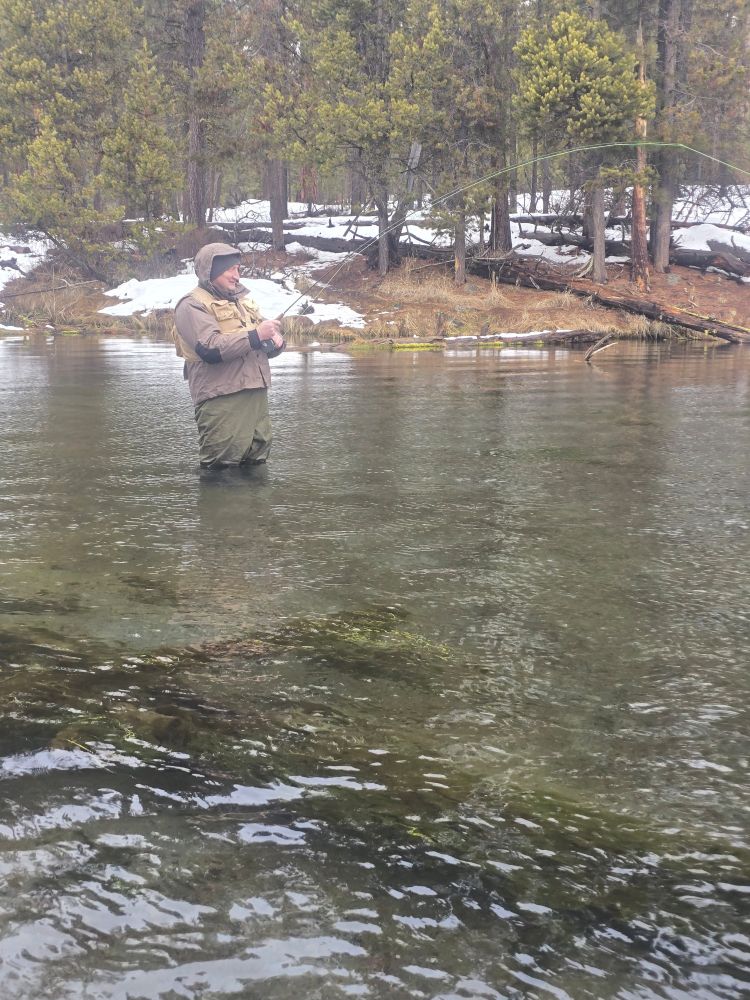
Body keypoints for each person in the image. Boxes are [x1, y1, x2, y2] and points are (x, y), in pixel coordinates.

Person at [173, 243, 285, 468]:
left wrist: (275, 342)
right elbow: (209, 348)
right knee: (222, 471)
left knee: (256, 465)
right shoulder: (191, 305)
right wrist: (256, 335)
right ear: (212, 271)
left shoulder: (243, 303)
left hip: (256, 397)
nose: (237, 276)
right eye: (231, 269)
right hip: (221, 400)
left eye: (238, 269)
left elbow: (257, 344)